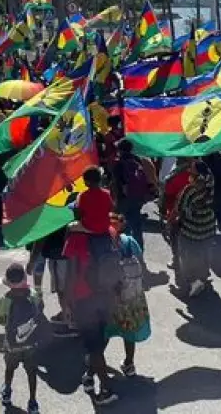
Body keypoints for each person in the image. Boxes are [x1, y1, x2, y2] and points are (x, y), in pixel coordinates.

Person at [66, 225, 120, 406]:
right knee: (100, 340)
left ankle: (106, 388)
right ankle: (90, 375)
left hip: (84, 299)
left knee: (93, 345)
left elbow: (71, 272)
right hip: (107, 296)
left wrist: (68, 302)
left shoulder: (75, 237)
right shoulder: (109, 231)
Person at [105, 214, 151, 378]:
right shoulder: (130, 241)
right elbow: (141, 263)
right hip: (132, 295)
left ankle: (94, 362)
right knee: (129, 331)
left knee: (105, 329)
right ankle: (129, 363)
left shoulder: (106, 243)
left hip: (114, 295)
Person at [0, 263, 42, 414]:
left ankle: (7, 392)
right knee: (31, 372)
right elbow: (40, 310)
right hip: (31, 341)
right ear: (24, 278)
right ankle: (33, 402)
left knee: (10, 368)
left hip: (12, 344)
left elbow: (1, 320)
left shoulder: (5, 299)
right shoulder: (33, 294)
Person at [177, 161, 217, 297]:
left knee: (187, 255)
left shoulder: (190, 190)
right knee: (204, 253)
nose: (189, 170)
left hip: (191, 229)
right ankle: (203, 276)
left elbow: (181, 209)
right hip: (208, 226)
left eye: (192, 169)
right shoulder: (211, 184)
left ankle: (192, 281)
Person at [113, 139, 154, 249]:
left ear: (120, 150)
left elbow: (118, 183)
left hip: (124, 199)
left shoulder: (118, 163)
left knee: (123, 226)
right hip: (137, 197)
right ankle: (139, 250)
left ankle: (127, 252)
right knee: (136, 226)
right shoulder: (137, 160)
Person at [75, 166, 113, 235]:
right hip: (105, 226)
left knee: (69, 227)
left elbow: (79, 214)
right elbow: (110, 208)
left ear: (88, 182)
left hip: (89, 227)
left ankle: (68, 245)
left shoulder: (83, 196)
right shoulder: (107, 193)